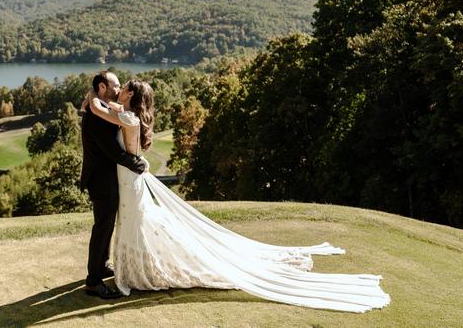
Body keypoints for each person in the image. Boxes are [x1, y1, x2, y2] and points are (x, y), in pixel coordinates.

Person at [81, 77, 391, 313]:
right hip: (126, 180)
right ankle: (123, 268)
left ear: (130, 95)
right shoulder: (129, 114)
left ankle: (134, 271)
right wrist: (100, 102)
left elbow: (100, 110)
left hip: (128, 180)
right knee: (134, 225)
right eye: (115, 86)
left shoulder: (126, 117)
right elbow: (106, 110)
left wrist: (94, 101)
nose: (118, 90)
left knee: (135, 224)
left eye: (122, 88)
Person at [80, 71, 147, 299]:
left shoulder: (104, 109)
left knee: (107, 224)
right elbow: (113, 151)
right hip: (100, 179)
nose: (118, 89)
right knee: (102, 226)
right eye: (115, 85)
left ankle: (100, 266)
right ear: (102, 87)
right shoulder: (97, 114)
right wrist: (136, 163)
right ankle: (93, 281)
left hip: (108, 177)